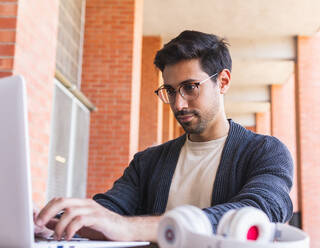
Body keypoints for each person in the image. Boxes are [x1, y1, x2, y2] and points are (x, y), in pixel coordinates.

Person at [35, 30, 293, 242]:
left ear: (223, 81)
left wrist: (128, 228)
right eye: (170, 91)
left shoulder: (266, 152)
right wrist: (53, 223)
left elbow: (259, 212)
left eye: (190, 88)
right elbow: (108, 212)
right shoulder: (148, 161)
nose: (178, 104)